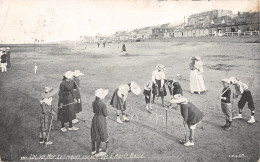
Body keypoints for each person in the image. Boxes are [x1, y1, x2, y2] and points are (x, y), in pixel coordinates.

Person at [91, 88, 109, 157]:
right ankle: (97, 152)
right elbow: (106, 115)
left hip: (95, 118)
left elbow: (94, 111)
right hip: (101, 119)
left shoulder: (93, 102)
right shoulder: (103, 104)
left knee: (94, 133)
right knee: (100, 133)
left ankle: (93, 150)